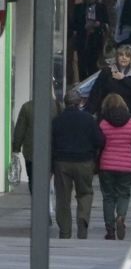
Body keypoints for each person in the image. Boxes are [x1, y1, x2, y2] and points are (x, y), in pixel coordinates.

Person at [50, 89, 103, 239]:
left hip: (62, 162)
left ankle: (65, 231)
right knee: (85, 193)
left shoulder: (57, 120)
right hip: (84, 162)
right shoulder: (88, 119)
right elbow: (99, 140)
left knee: (63, 198)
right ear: (80, 102)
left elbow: (51, 144)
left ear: (65, 103)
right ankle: (82, 224)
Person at [95, 93, 131, 240]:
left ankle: (110, 230)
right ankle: (121, 216)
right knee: (124, 194)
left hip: (106, 165)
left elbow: (98, 143)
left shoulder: (102, 122)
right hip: (126, 165)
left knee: (108, 197)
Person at [89, 44, 131, 127]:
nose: (124, 58)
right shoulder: (107, 72)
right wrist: (90, 112)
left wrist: (123, 79)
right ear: (117, 57)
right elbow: (96, 92)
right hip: (106, 115)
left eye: (127, 56)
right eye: (121, 55)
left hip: (127, 117)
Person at [68, 0, 108, 83]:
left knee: (93, 65)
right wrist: (84, 27)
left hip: (96, 40)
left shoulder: (101, 7)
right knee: (82, 65)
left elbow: (107, 23)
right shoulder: (79, 8)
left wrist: (99, 24)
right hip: (82, 40)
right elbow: (73, 24)